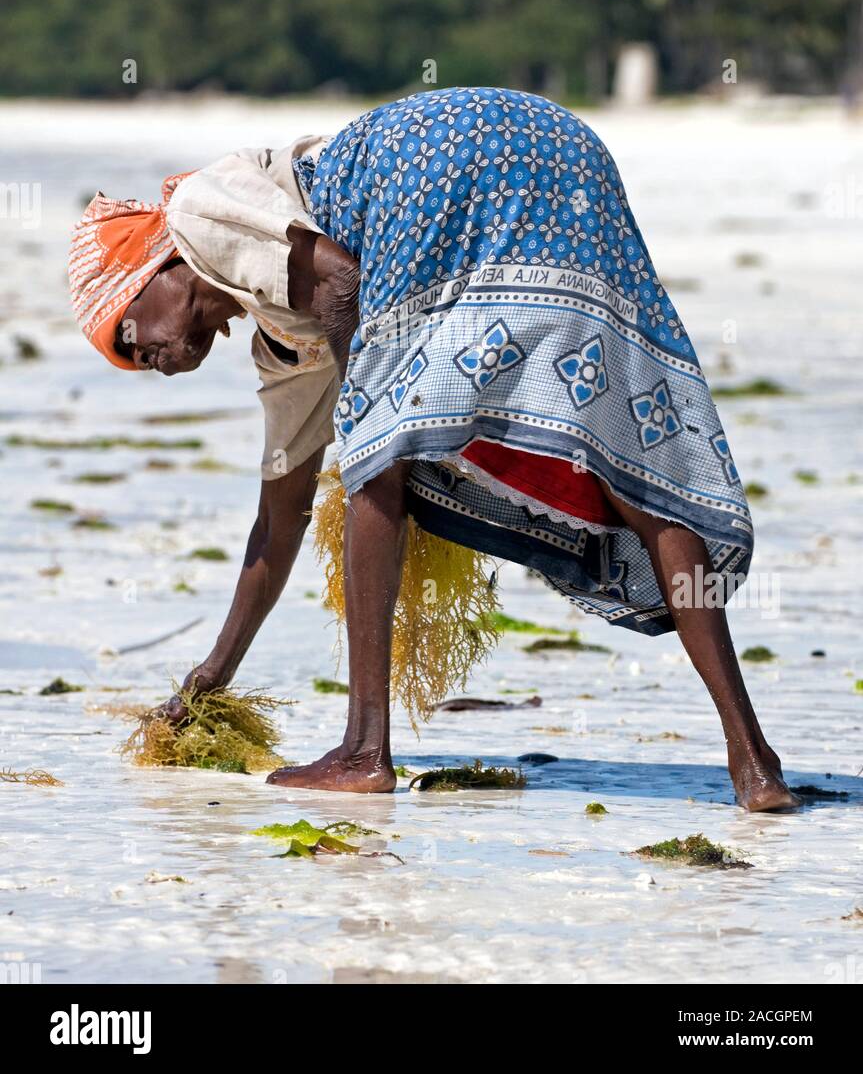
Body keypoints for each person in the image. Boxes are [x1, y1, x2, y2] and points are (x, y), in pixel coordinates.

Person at [68, 87, 797, 810]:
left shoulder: (195, 212)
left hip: (442, 154)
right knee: (631, 466)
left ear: (153, 267)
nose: (150, 362)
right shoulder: (285, 350)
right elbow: (279, 519)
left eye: (129, 337)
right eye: (131, 364)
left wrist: (369, 425)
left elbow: (341, 278)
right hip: (563, 149)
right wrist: (210, 676)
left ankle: (362, 751)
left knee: (375, 461)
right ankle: (752, 762)